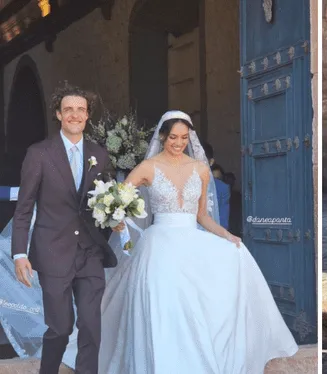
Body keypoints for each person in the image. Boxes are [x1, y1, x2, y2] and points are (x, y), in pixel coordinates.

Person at [97, 110, 298, 373]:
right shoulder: (148, 167)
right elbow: (116, 200)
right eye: (172, 137)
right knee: (163, 306)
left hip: (192, 242)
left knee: (225, 270)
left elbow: (202, 216)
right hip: (159, 246)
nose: (178, 143)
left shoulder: (201, 170)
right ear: (162, 136)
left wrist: (227, 236)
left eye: (183, 137)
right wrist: (117, 219)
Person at [9, 82, 118, 374]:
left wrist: (114, 220)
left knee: (92, 328)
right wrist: (20, 253)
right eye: (68, 109)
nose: (74, 114)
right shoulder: (39, 153)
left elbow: (105, 200)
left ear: (87, 115)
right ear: (58, 114)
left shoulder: (100, 153)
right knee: (60, 328)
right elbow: (24, 207)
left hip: (89, 254)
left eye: (80, 109)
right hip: (52, 252)